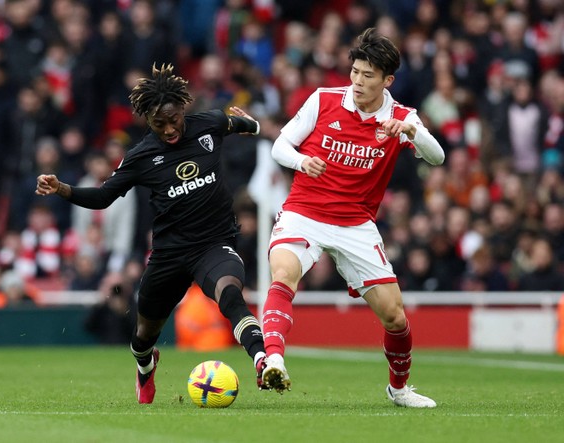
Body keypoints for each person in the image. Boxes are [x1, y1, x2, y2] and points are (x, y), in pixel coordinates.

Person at [36, 64, 266, 404]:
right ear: (147, 120)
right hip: (169, 254)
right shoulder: (141, 156)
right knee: (143, 336)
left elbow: (245, 124)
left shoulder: (210, 124)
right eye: (160, 124)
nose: (170, 129)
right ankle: (146, 367)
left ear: (183, 110)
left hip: (214, 243)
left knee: (230, 294)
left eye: (174, 120)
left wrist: (252, 124)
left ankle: (263, 359)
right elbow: (103, 197)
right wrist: (62, 189)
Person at [260, 28, 445, 408]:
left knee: (394, 316)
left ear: (387, 80)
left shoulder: (401, 117)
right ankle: (273, 359)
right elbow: (281, 144)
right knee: (283, 273)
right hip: (304, 211)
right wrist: (301, 161)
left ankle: (399, 389)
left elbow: (437, 157)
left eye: (368, 75)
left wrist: (411, 130)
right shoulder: (324, 99)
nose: (357, 81)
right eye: (355, 72)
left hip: (356, 224)